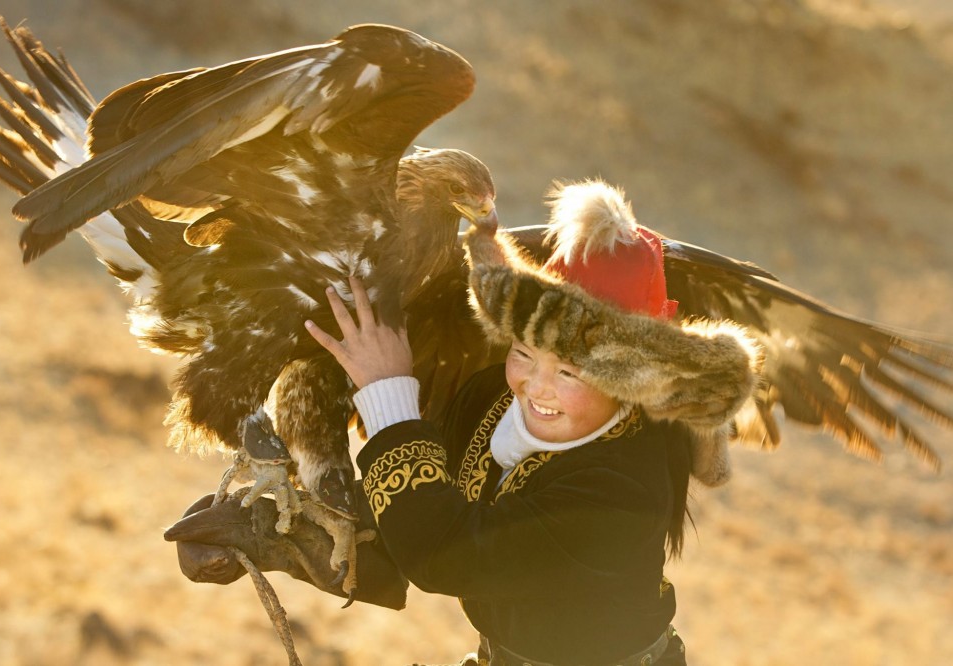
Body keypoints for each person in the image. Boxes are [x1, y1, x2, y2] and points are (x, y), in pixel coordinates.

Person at [166, 181, 761, 665]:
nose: (536, 387)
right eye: (523, 352)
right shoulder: (491, 398)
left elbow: (444, 555)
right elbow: (416, 518)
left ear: (628, 379)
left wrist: (388, 392)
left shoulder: (621, 486)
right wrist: (272, 535)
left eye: (570, 372)